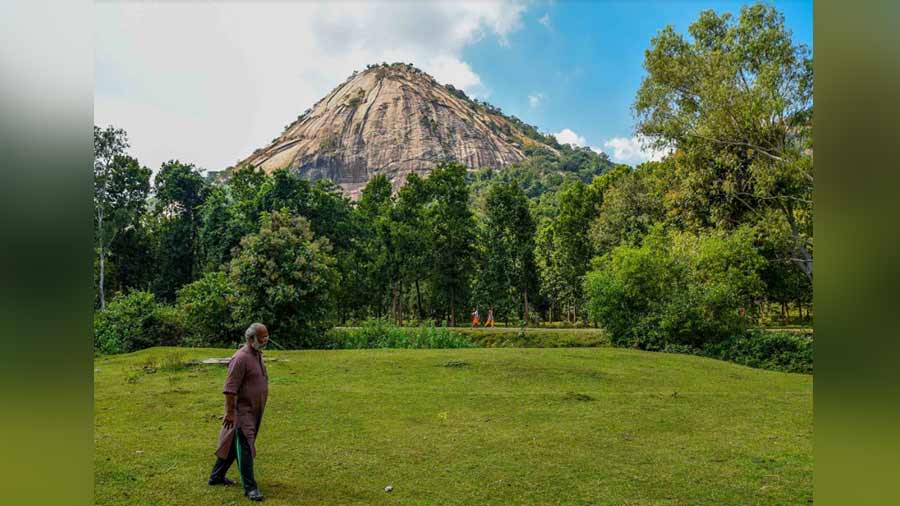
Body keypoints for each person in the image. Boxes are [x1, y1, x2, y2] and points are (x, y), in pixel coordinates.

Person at [208, 323, 269, 502]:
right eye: (261, 338)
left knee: (233, 444)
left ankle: (216, 476)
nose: (265, 341)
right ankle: (251, 488)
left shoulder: (256, 354)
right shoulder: (240, 358)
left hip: (255, 409)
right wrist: (230, 413)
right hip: (242, 411)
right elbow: (229, 389)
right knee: (245, 446)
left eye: (267, 337)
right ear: (250, 339)